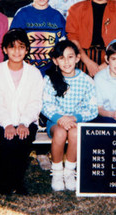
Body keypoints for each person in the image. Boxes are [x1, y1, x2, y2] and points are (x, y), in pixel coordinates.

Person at [0, 29, 44, 196]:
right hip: (2, 123)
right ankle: (4, 181)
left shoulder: (34, 73)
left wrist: (24, 122)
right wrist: (7, 124)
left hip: (27, 122)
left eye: (21, 47)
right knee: (9, 141)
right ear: (5, 49)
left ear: (27, 50)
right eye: (12, 47)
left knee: (23, 139)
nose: (17, 51)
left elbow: (36, 102)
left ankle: (18, 181)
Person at [42, 40, 98, 191]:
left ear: (78, 58)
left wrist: (74, 118)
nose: (66, 62)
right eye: (61, 58)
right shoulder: (49, 79)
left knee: (75, 133)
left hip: (76, 122)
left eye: (70, 57)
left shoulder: (87, 81)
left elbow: (92, 109)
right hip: (55, 121)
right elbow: (46, 105)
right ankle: (57, 172)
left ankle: (70, 172)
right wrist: (60, 119)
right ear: (55, 61)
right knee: (60, 133)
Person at [10, 0, 66, 76]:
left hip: (51, 73)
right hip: (26, 72)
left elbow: (63, 47)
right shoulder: (22, 15)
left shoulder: (57, 17)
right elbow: (12, 44)